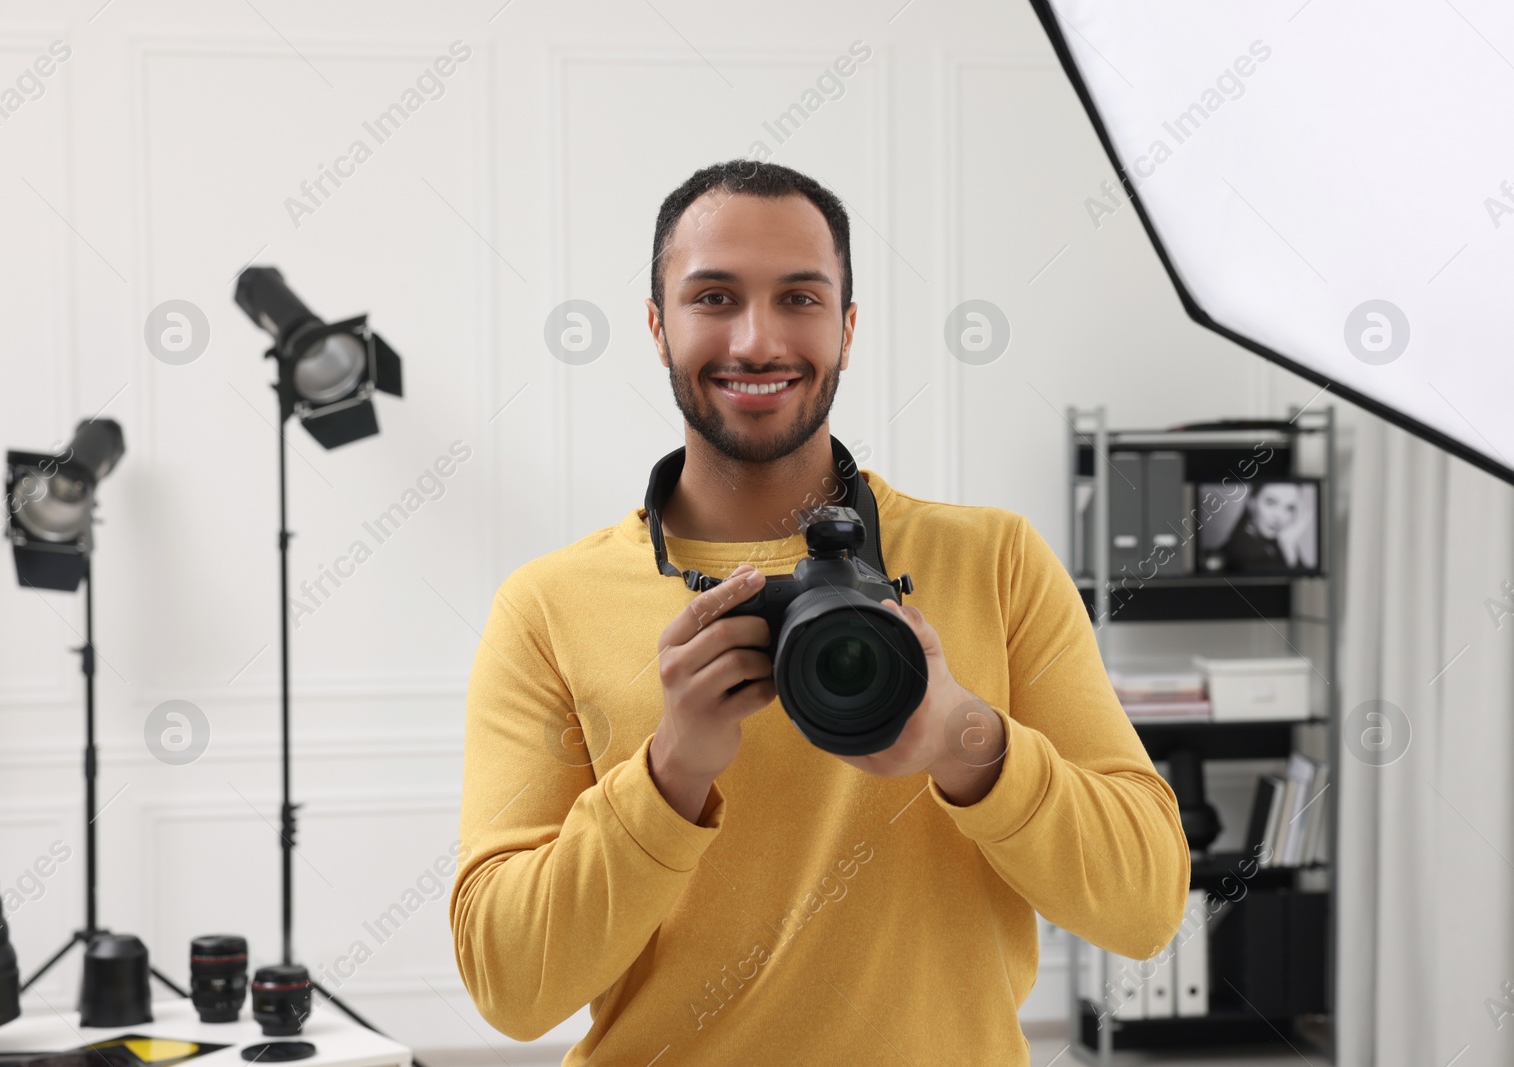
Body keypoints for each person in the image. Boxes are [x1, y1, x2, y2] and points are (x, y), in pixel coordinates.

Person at [449, 160, 1189, 1064]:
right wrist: (671, 771)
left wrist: (968, 739)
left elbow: (1148, 907)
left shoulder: (993, 561)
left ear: (845, 327)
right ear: (657, 325)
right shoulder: (547, 605)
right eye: (713, 297)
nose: (757, 341)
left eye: (799, 298)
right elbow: (509, 986)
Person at [1223, 482, 1312, 571]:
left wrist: (1288, 545)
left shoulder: (1281, 543)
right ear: (1251, 502)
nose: (1279, 516)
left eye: (1289, 507)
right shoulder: (1237, 553)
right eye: (1271, 503)